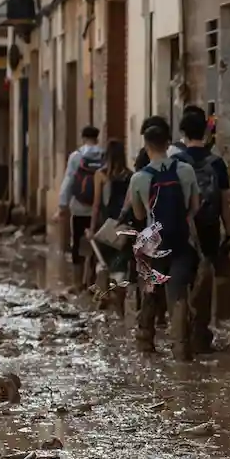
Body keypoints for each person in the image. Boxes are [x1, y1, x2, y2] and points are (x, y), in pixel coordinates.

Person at [129, 115, 200, 360]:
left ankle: (145, 344)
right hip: (181, 241)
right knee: (178, 295)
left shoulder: (138, 178)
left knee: (150, 291)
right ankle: (181, 350)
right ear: (168, 142)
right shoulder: (186, 170)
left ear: (146, 145)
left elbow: (139, 214)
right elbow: (195, 207)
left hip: (153, 244)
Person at [177, 109, 230, 351]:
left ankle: (181, 333)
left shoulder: (177, 162)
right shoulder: (217, 163)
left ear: (183, 133)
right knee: (205, 281)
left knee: (183, 279)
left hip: (184, 229)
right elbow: (225, 202)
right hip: (209, 227)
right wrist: (229, 230)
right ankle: (201, 333)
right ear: (206, 131)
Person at [90, 138, 134, 312]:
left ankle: (103, 304)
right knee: (120, 268)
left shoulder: (100, 175)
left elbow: (96, 205)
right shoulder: (131, 176)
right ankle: (119, 310)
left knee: (102, 266)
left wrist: (92, 229)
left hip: (104, 228)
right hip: (123, 228)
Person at [58, 125, 104, 265]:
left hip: (79, 207)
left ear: (83, 138)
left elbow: (69, 179)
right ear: (97, 138)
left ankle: (78, 282)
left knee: (77, 242)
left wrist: (62, 204)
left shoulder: (76, 156)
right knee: (97, 244)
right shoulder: (104, 155)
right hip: (99, 209)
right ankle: (92, 280)